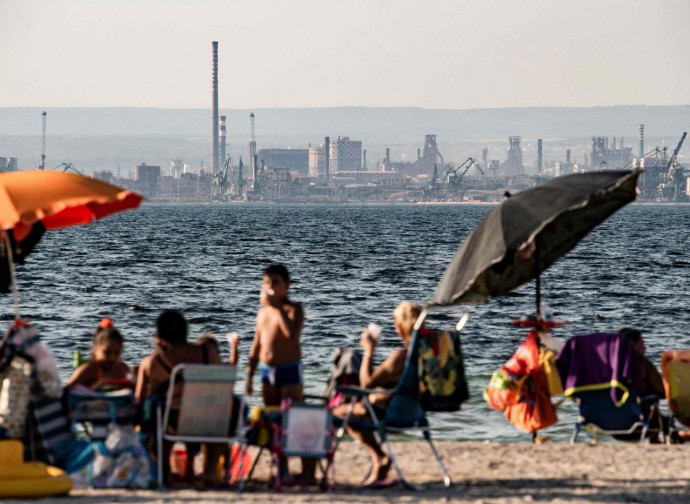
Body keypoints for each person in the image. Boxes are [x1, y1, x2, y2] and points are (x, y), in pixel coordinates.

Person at [332, 300, 422, 488]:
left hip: (385, 413)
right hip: (415, 412)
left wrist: (369, 350)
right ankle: (379, 462)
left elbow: (366, 383)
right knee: (352, 409)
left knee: (338, 413)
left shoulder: (400, 356)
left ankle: (379, 456)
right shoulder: (426, 354)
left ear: (399, 327)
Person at [135, 310, 223, 487]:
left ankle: (165, 472)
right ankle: (209, 473)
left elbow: (138, 400)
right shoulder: (209, 352)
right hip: (213, 422)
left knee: (153, 410)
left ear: (160, 335)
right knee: (213, 410)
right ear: (186, 331)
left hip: (174, 424)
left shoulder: (152, 362)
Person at [245, 263, 314, 483]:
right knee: (273, 422)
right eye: (266, 283)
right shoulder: (262, 312)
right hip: (267, 372)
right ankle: (281, 468)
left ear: (287, 285)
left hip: (289, 370)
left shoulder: (294, 309)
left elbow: (291, 335)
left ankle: (307, 471)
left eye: (275, 283)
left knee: (296, 420)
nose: (270, 287)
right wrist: (249, 373)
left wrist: (277, 307)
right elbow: (256, 344)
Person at [66, 318, 130, 390]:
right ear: (95, 349)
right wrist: (94, 389)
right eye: (107, 352)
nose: (112, 357)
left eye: (117, 353)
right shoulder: (88, 370)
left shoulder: (122, 369)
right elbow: (66, 392)